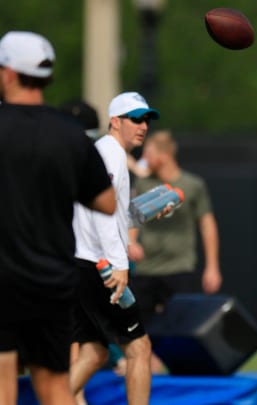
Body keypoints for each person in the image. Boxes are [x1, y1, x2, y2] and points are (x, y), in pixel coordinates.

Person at [0, 31, 116, 405]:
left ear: (8, 74)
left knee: (2, 383)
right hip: (51, 280)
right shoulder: (70, 135)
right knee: (54, 387)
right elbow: (107, 202)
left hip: (3, 279)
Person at [70, 91, 160, 404]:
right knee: (139, 348)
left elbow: (107, 210)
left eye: (146, 119)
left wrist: (142, 212)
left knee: (94, 352)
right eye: (135, 118)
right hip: (100, 267)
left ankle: (54, 398)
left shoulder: (106, 152)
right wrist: (118, 263)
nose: (143, 125)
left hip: (84, 264)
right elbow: (100, 213)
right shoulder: (111, 154)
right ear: (114, 121)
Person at [129, 129, 222, 371]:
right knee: (139, 324)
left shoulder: (192, 185)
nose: (144, 158)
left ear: (163, 155)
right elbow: (133, 218)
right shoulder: (143, 183)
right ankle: (145, 366)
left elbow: (207, 225)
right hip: (147, 268)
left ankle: (182, 374)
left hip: (179, 266)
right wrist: (131, 243)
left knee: (182, 324)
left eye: (148, 152)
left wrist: (212, 267)